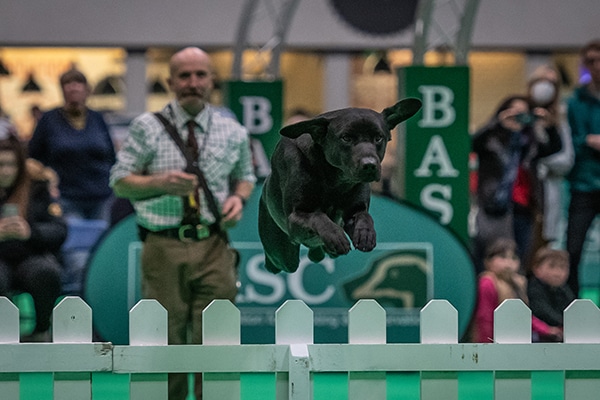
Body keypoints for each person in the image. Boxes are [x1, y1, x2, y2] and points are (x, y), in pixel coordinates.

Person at [110, 47, 256, 400]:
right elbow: (119, 181)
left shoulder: (232, 129)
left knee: (217, 339)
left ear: (211, 80)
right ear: (170, 81)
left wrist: (239, 198)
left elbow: (246, 176)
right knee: (165, 339)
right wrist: (160, 182)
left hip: (214, 244)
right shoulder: (147, 127)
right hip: (163, 244)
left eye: (200, 75)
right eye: (185, 76)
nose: (193, 82)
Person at [471, 95, 562, 274]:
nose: (519, 117)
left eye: (524, 113)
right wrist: (498, 123)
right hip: (494, 207)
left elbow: (554, 148)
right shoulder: (492, 138)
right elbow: (472, 143)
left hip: (523, 207)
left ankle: (514, 297)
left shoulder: (531, 142)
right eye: (514, 112)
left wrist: (549, 126)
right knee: (491, 255)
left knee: (518, 257)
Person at [0, 128, 66, 342]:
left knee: (45, 272)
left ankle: (41, 331)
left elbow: (59, 230)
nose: (5, 171)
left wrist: (30, 232)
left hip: (31, 255)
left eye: (11, 164)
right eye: (0, 165)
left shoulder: (38, 189)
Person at [28, 68, 116, 222]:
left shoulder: (97, 119)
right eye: (68, 83)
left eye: (78, 83)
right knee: (75, 241)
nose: (73, 87)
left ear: (87, 90)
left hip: (102, 197)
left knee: (101, 242)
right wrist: (46, 175)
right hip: (66, 197)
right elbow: (32, 157)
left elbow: (111, 155)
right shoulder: (49, 120)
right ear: (62, 90)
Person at [468, 237, 562, 343]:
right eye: (502, 257)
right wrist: (486, 346)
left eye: (513, 258)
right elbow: (485, 319)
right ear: (487, 261)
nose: (508, 263)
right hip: (492, 343)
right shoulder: (487, 282)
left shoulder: (519, 282)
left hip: (514, 341)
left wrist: (546, 330)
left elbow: (523, 316)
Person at [565, 39, 600, 297]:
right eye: (591, 61)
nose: (597, 66)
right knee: (572, 250)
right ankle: (571, 309)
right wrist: (588, 141)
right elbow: (570, 142)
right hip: (583, 185)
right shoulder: (574, 101)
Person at [527, 66, 574, 252]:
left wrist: (541, 164)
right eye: (542, 83)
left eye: (552, 84)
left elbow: (566, 159)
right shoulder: (523, 114)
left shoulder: (560, 118)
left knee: (546, 240)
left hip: (549, 190)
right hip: (525, 192)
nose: (546, 89)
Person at [527, 247, 575, 332]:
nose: (557, 273)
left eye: (562, 267)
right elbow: (541, 311)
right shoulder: (533, 290)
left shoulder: (565, 291)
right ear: (537, 269)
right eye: (551, 266)